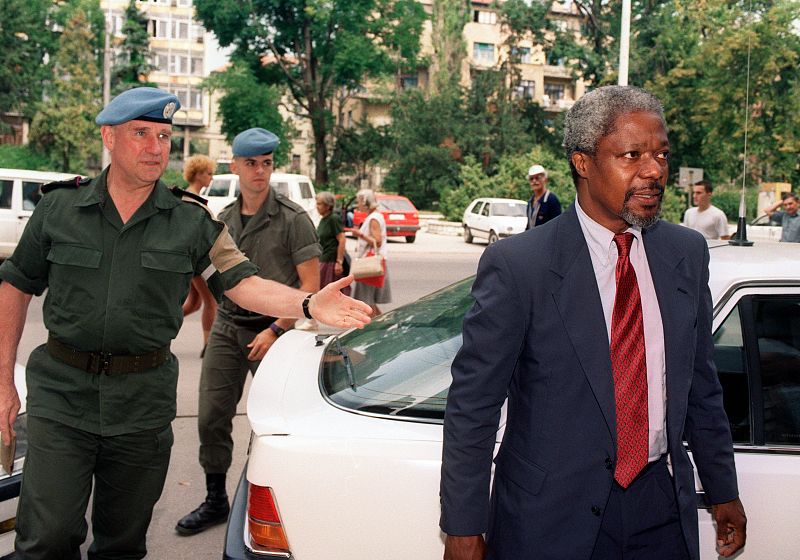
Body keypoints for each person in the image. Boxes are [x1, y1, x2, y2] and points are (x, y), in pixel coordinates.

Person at [0, 87, 370, 560]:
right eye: (141, 134)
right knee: (45, 539)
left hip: (141, 404)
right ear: (108, 138)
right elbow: (15, 285)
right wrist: (5, 381)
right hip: (60, 396)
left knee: (121, 543)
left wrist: (307, 304)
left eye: (164, 136)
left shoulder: (191, 221)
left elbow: (242, 282)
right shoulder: (58, 209)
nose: (156, 147)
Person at [440, 85, 746, 560]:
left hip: (660, 510)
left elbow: (701, 386)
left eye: (661, 154)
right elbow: (473, 407)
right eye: (632, 155)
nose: (653, 171)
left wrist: (723, 488)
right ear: (583, 163)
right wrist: (463, 528)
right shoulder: (522, 265)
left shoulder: (685, 253)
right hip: (549, 520)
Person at [176, 127, 321, 535]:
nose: (260, 172)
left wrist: (276, 329)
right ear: (235, 166)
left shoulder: (293, 220)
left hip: (275, 333)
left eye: (267, 163)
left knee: (277, 424)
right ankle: (216, 500)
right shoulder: (220, 220)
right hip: (227, 326)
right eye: (252, 164)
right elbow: (208, 278)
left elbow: (309, 288)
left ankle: (279, 504)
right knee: (211, 418)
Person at [182, 155, 218, 347]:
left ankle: (159, 329)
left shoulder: (190, 197)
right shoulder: (192, 200)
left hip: (193, 259)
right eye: (209, 173)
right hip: (197, 260)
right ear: (199, 175)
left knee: (195, 303)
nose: (211, 178)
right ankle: (208, 346)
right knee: (211, 302)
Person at [346, 189, 392, 316]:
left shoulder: (373, 218)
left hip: (369, 264)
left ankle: (379, 328)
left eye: (359, 202)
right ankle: (383, 326)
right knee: (368, 302)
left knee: (366, 302)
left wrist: (359, 234)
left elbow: (377, 241)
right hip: (372, 262)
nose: (358, 205)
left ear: (365, 202)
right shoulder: (375, 216)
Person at [316, 191, 349, 294]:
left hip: (330, 261)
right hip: (323, 259)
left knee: (329, 293)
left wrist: (339, 262)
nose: (317, 206)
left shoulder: (333, 219)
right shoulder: (323, 219)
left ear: (328, 205)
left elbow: (342, 239)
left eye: (319, 204)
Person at [524, 164, 561, 230]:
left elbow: (557, 227)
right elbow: (529, 225)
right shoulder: (530, 201)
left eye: (538, 178)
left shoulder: (551, 200)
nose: (534, 181)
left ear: (545, 180)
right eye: (531, 179)